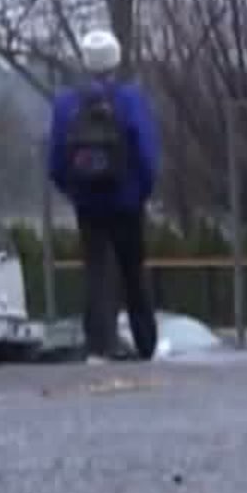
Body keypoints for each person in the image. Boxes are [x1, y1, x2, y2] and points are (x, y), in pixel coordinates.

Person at [48, 29, 161, 363]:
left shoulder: (66, 104)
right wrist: (140, 191)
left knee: (96, 271)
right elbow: (147, 154)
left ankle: (99, 344)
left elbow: (55, 161)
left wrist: (75, 191)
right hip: (127, 201)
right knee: (133, 270)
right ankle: (145, 343)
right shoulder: (130, 99)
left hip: (88, 203)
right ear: (116, 59)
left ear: (85, 61)